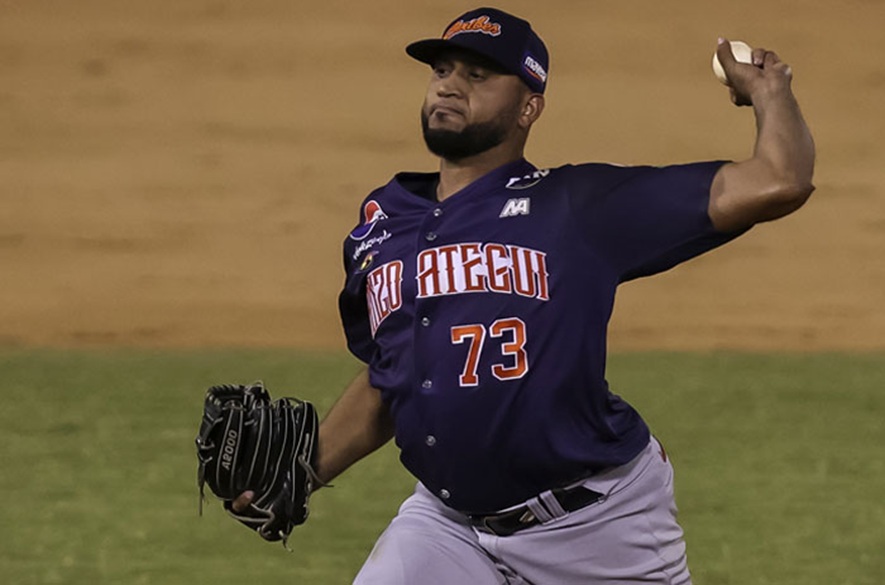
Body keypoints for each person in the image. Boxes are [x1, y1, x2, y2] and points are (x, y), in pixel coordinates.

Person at [237, 7, 814, 584]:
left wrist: (768, 91)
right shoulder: (383, 222)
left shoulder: (576, 208)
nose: (450, 85)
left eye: (479, 76)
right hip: (448, 525)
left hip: (599, 527)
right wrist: (300, 472)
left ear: (529, 107)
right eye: (443, 69)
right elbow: (393, 376)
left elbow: (778, 180)